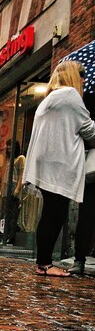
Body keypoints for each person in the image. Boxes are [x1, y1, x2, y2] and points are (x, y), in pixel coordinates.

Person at [23, 60, 95, 276]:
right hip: (58, 165)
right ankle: (44, 264)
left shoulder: (50, 98)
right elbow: (89, 132)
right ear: (74, 77)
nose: (83, 81)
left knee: (51, 213)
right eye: (81, 77)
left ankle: (42, 262)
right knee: (55, 214)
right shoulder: (72, 96)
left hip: (45, 163)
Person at [68, 93, 95, 274]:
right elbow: (84, 132)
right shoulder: (88, 100)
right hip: (92, 170)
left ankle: (80, 259)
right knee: (87, 215)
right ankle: (79, 259)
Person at [6, 141, 26, 245]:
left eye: (10, 145)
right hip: (8, 187)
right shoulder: (9, 159)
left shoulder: (21, 158)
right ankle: (7, 235)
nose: (8, 147)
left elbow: (21, 174)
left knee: (14, 213)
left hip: (15, 187)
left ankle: (12, 237)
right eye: (8, 145)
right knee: (8, 214)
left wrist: (17, 189)